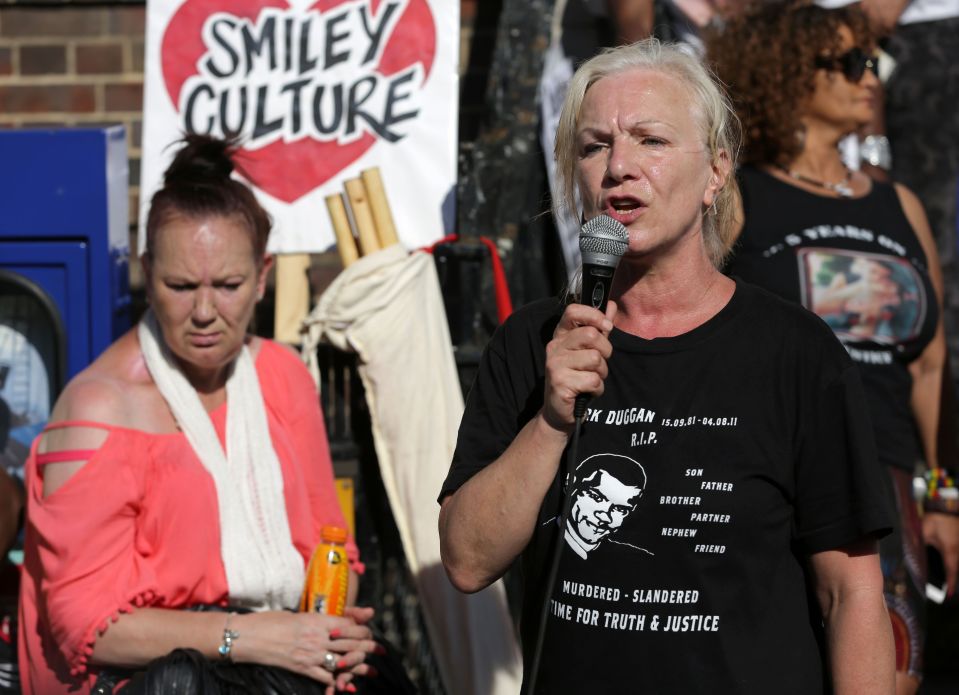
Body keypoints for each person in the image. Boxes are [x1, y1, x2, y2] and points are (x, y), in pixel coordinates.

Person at [439, 37, 895, 693]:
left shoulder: (794, 352)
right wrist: (550, 418)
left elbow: (850, 594)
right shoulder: (533, 340)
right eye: (594, 145)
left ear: (714, 171)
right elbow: (465, 559)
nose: (617, 166)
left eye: (649, 140)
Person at [17, 135, 380, 694]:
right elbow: (85, 627)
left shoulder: (282, 377)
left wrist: (331, 632)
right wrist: (254, 637)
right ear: (146, 273)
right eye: (180, 286)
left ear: (262, 276)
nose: (205, 312)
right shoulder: (99, 409)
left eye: (229, 286)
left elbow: (333, 552)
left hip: (278, 653)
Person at [706, 3, 959, 693]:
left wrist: (942, 495)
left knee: (892, 670)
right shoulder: (737, 196)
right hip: (771, 468)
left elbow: (931, 361)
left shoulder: (897, 203)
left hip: (881, 474)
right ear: (783, 74)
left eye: (870, 59)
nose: (867, 74)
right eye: (847, 62)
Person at [564, 453, 649, 558]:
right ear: (571, 486)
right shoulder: (541, 538)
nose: (605, 517)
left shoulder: (636, 558)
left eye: (620, 509)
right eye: (596, 497)